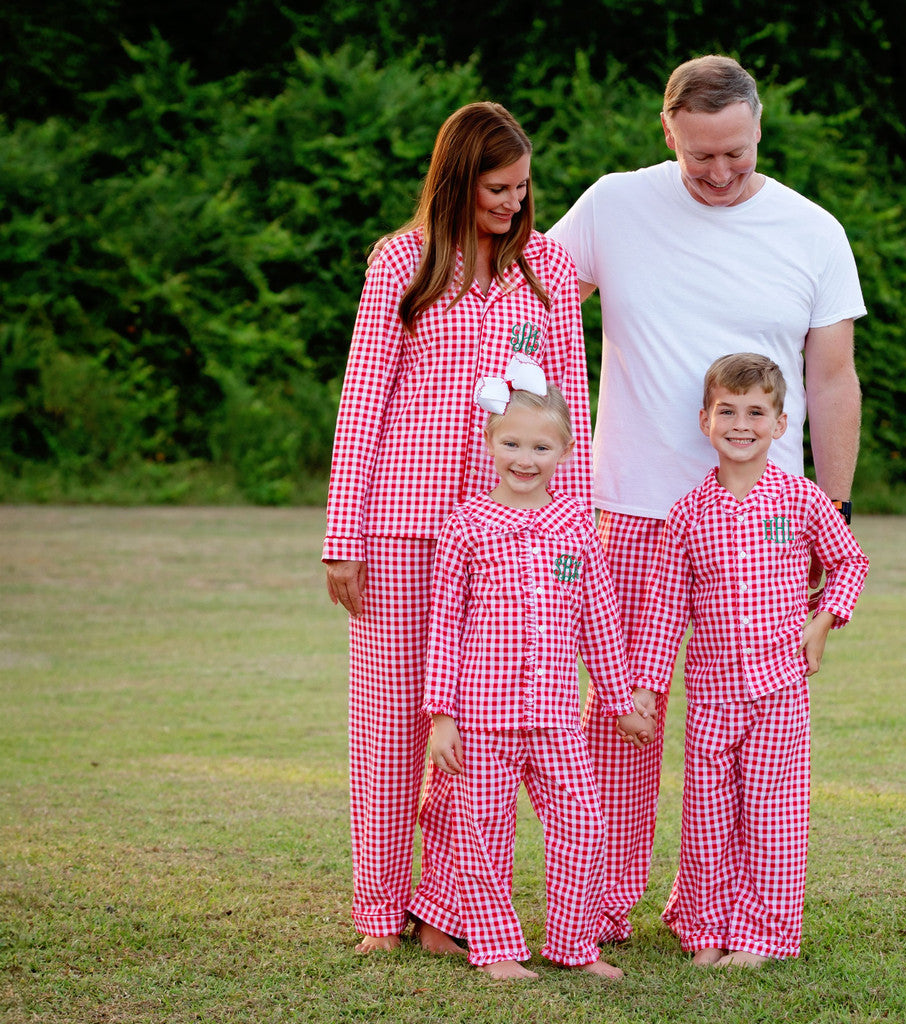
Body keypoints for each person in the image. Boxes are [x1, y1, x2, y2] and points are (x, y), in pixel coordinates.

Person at [546, 54, 866, 942]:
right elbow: (529, 309)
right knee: (624, 721)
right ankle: (602, 909)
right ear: (668, 133)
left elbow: (833, 381)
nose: (721, 174)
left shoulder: (812, 230)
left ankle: (738, 905)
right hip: (635, 510)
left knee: (756, 736)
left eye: (738, 153)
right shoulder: (613, 205)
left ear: (759, 128)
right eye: (701, 159)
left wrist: (829, 514)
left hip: (764, 525)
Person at [323, 101, 593, 954]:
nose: (514, 204)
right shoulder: (402, 262)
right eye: (496, 189)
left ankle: (447, 910)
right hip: (404, 524)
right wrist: (344, 535)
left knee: (480, 733)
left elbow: (570, 411)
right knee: (392, 722)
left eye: (522, 189)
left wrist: (571, 526)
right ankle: (378, 912)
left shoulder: (546, 270)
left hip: (510, 537)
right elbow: (363, 401)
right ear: (455, 182)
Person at [629, 353, 869, 967]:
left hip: (779, 691)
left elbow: (849, 563)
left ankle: (763, 936)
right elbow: (664, 609)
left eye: (756, 412)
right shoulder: (688, 513)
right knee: (707, 818)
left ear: (781, 424)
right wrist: (647, 689)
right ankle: (706, 931)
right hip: (710, 695)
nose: (742, 424)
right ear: (705, 421)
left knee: (772, 820)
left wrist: (822, 622)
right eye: (727, 412)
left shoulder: (803, 500)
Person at [419, 380, 651, 980]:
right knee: (484, 836)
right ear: (491, 442)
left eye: (541, 448)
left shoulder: (576, 527)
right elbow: (444, 626)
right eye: (514, 444)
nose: (526, 459)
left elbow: (598, 617)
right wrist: (443, 717)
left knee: (583, 825)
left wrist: (619, 699)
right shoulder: (466, 527)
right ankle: (496, 951)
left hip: (555, 717)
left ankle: (574, 945)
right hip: (482, 718)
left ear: (566, 452)